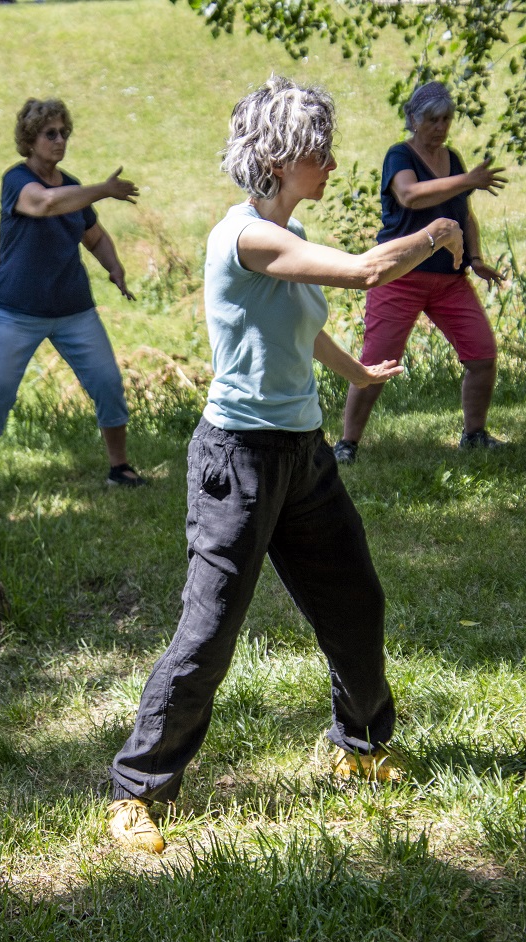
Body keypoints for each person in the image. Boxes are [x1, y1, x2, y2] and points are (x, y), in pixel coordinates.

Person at [105, 76, 463, 854]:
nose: (332, 162)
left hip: (303, 455)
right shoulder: (244, 237)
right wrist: (436, 231)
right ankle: (137, 790)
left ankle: (356, 746)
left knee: (354, 601)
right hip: (238, 460)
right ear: (275, 156)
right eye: (319, 151)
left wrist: (357, 374)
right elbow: (368, 271)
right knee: (209, 632)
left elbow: (299, 323)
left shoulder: (286, 238)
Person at [0, 98, 146, 503]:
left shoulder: (73, 187)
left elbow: (93, 236)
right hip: (17, 311)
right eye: (51, 134)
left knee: (107, 383)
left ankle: (120, 468)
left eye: (64, 133)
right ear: (31, 139)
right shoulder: (16, 180)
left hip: (73, 310)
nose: (60, 140)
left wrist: (115, 269)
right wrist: (103, 190)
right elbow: (45, 203)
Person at [334, 81, 507, 465]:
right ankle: (347, 444)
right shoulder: (400, 155)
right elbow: (410, 195)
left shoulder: (454, 159)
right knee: (376, 363)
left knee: (482, 353)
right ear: (413, 119)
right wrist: (467, 181)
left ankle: (474, 435)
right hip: (399, 278)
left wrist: (475, 258)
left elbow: (464, 214)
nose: (441, 126)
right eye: (432, 119)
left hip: (450, 280)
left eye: (446, 119)